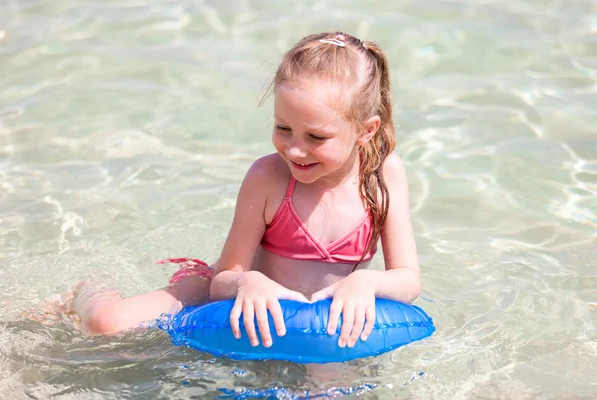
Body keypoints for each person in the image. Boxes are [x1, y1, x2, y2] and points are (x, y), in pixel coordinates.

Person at [50, 32, 421, 349]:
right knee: (106, 324)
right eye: (282, 127)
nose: (294, 149)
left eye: (316, 137)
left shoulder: (384, 175)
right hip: (228, 292)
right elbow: (224, 278)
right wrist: (250, 281)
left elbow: (408, 279)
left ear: (366, 130)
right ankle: (87, 291)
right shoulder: (268, 177)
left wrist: (365, 282)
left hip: (309, 321)